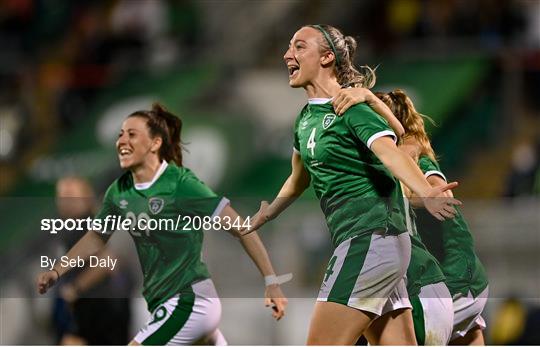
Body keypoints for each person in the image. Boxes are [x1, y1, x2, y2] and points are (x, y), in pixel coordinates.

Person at [244, 24, 460, 345]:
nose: (287, 54)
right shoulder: (305, 118)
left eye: (300, 47)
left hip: (370, 238)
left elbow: (391, 153)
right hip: (372, 243)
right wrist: (269, 213)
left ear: (327, 57)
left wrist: (426, 190)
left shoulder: (350, 106)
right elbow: (298, 179)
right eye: (289, 47)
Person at [37, 103, 288, 345]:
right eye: (121, 134)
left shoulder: (179, 184)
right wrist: (58, 270)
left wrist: (271, 281)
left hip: (190, 302)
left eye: (132, 135)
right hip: (162, 304)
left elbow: (240, 228)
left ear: (155, 143)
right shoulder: (119, 191)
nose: (122, 141)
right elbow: (96, 238)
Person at [334, 87, 489, 345]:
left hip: (453, 283)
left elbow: (432, 186)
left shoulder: (411, 159)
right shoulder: (410, 153)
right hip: (469, 282)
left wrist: (424, 195)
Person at [53, 176, 133, 345]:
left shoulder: (86, 223)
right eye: (62, 195)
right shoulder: (70, 229)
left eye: (70, 193)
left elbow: (107, 261)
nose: (65, 200)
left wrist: (75, 289)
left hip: (101, 307)